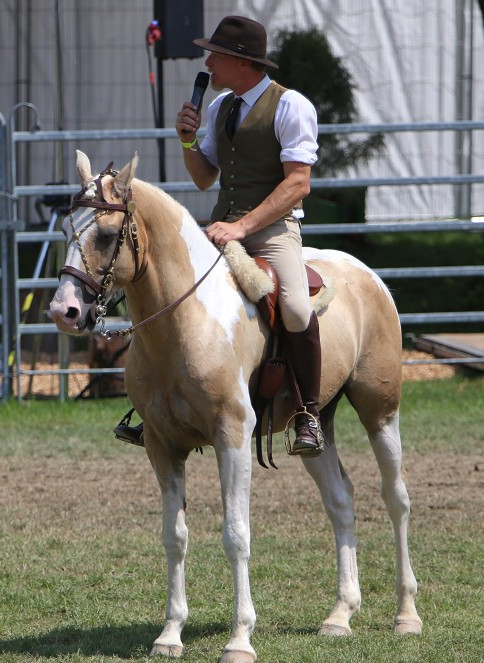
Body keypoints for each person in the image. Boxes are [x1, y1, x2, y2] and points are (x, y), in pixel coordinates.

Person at [115, 15, 324, 456]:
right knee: (169, 293)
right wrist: (188, 142)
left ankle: (308, 412)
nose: (207, 61)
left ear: (242, 62)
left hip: (270, 231)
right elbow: (205, 179)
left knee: (295, 306)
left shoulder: (291, 106)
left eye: (216, 55)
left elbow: (298, 183)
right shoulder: (219, 106)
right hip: (222, 226)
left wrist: (243, 226)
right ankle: (158, 405)